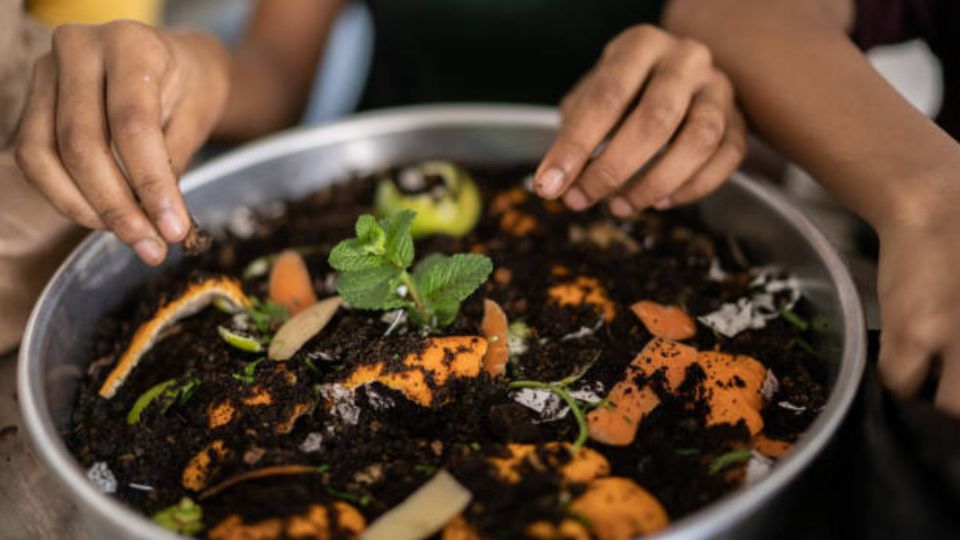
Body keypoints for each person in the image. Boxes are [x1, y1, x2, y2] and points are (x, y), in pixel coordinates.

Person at [9, 0, 960, 415]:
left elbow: (743, 22)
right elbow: (273, 71)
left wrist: (701, 95)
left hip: (630, 178)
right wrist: (196, 67)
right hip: (396, 159)